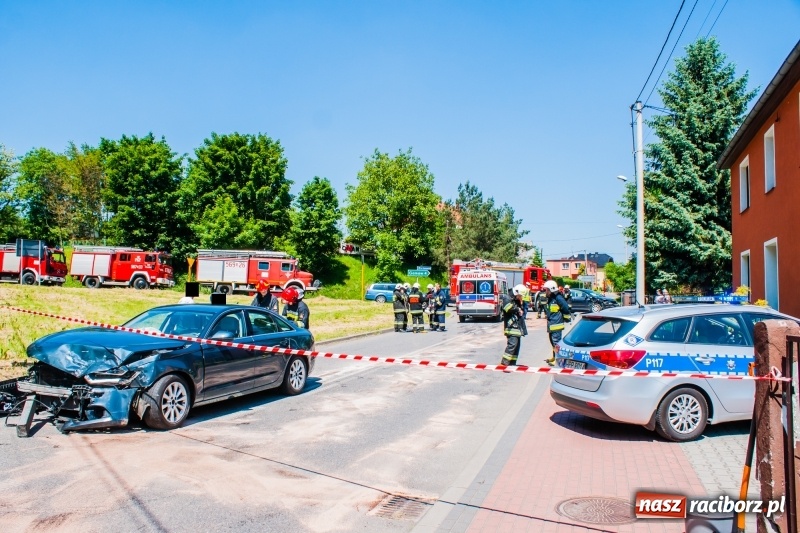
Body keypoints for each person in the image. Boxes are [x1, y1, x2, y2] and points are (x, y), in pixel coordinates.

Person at [543, 280, 572, 366]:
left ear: (551, 289)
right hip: (552, 325)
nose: (546, 292)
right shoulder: (551, 298)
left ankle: (557, 360)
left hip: (556, 325)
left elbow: (566, 308)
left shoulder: (558, 298)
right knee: (553, 343)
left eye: (547, 290)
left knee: (556, 343)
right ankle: (554, 356)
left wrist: (566, 318)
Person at [500, 286, 524, 366]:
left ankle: (512, 363)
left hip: (516, 326)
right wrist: (517, 309)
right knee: (512, 345)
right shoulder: (507, 298)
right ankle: (504, 363)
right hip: (511, 327)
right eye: (520, 295)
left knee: (516, 346)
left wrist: (520, 305)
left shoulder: (515, 299)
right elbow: (507, 308)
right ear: (516, 292)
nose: (520, 297)